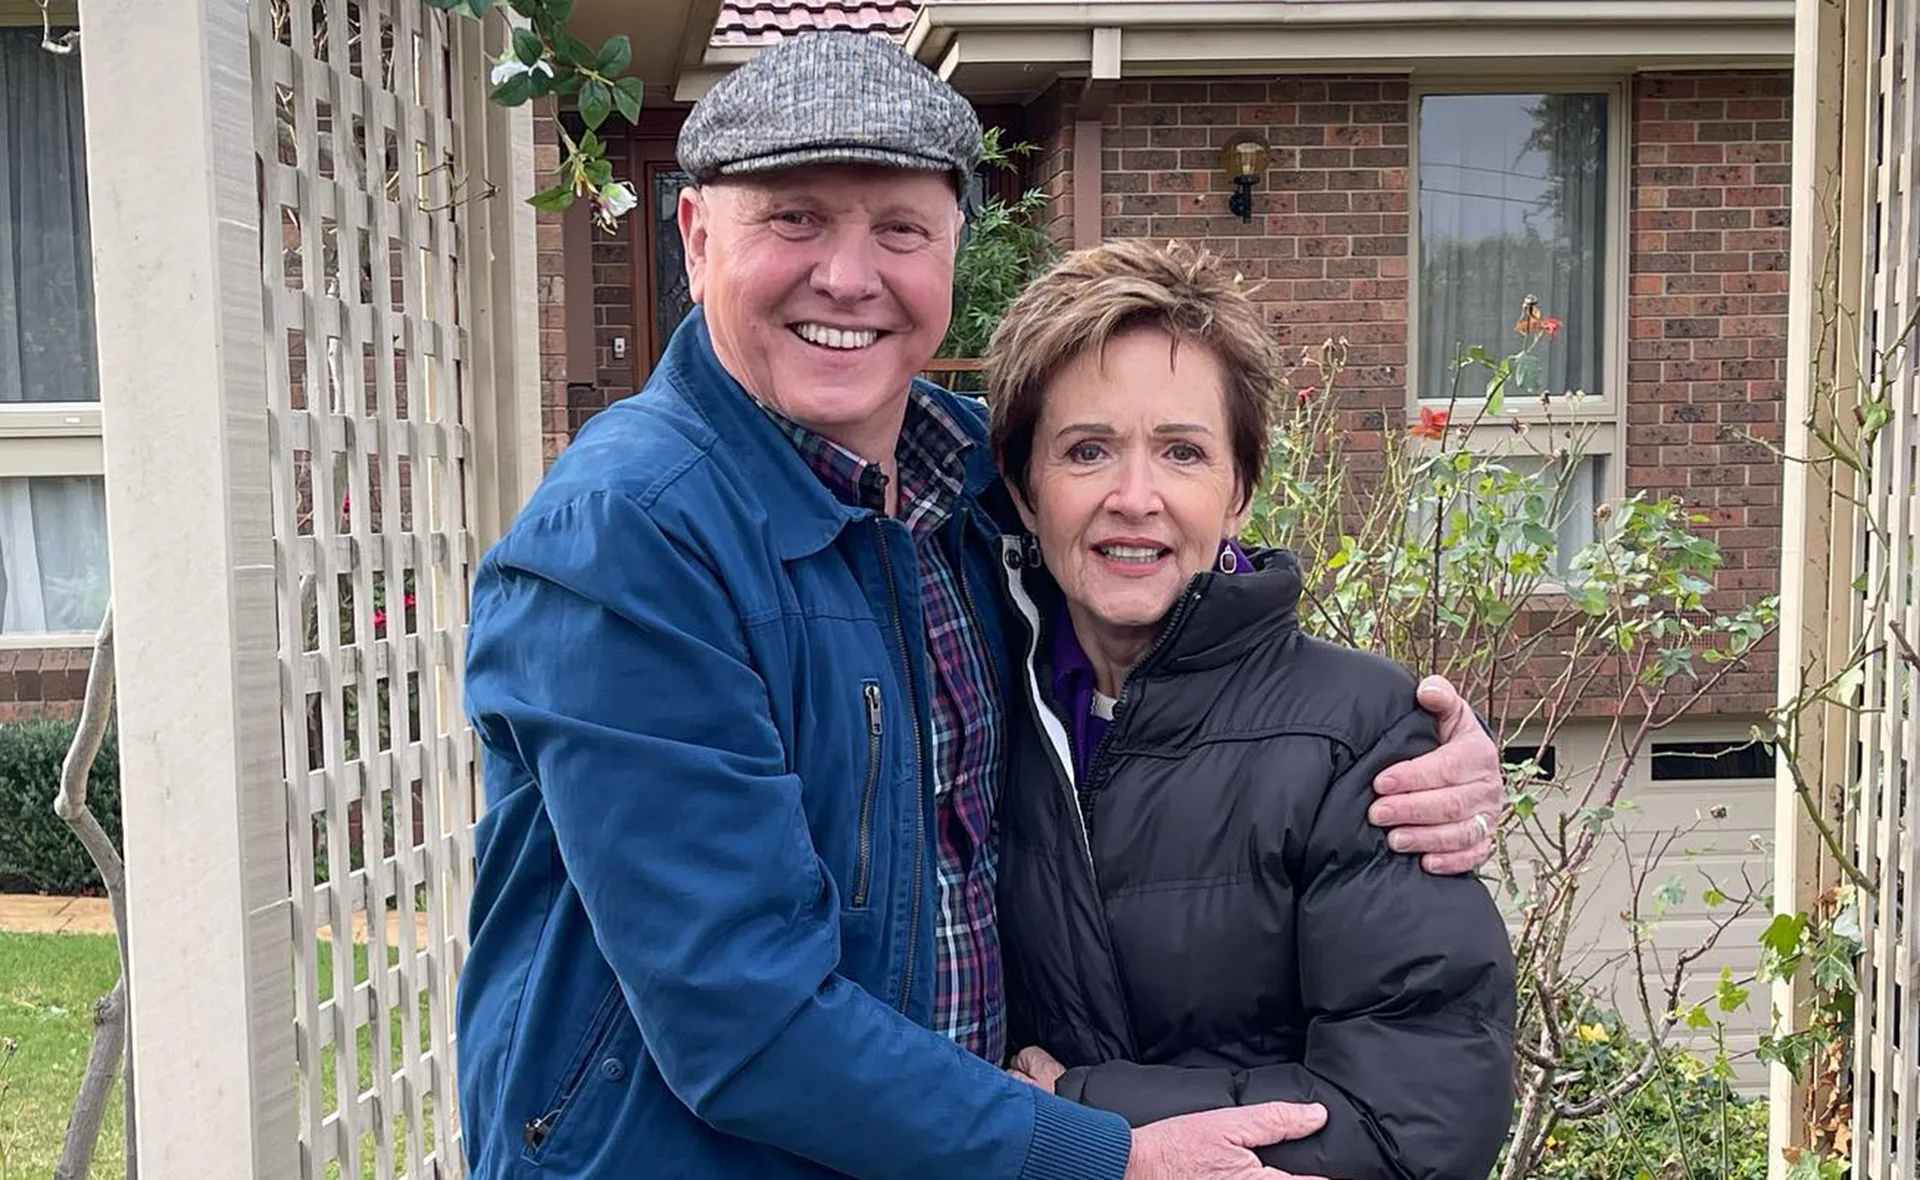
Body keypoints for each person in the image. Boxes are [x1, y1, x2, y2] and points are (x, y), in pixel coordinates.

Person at [456, 30, 1506, 1180]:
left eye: (900, 228)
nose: (849, 277)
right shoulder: (629, 539)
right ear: (698, 235)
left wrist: (1405, 751)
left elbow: (1170, 620)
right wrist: (1094, 1154)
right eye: (795, 217)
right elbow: (737, 1012)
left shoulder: (974, 489)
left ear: (953, 248)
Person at [982, 239, 1517, 1180]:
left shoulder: (1361, 737)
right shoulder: (971, 706)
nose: (1134, 498)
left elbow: (1417, 1131)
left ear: (1238, 491)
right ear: (1026, 490)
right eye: (1087, 450)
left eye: (1182, 452)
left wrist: (1079, 1111)